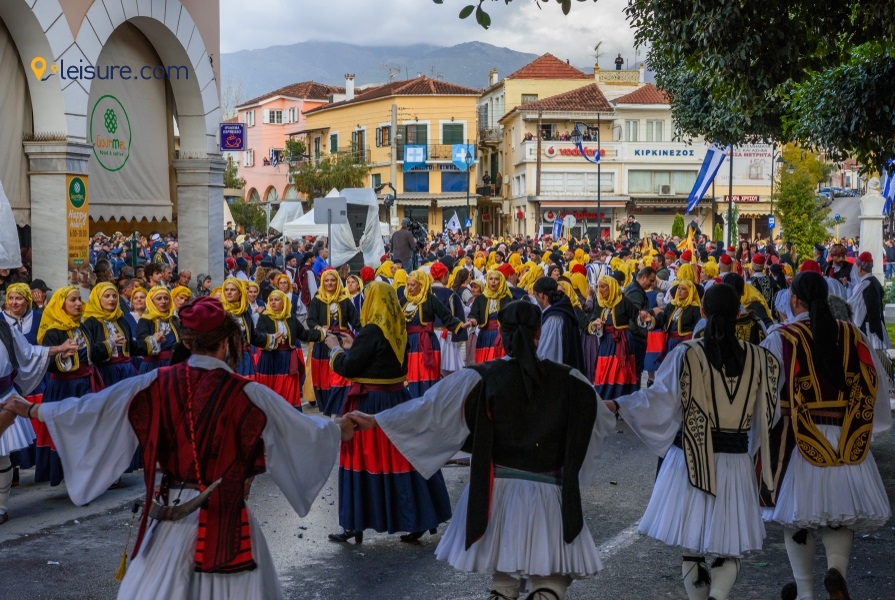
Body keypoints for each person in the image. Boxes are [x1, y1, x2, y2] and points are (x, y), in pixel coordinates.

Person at [0, 297, 354, 599]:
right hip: (230, 522)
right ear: (226, 342)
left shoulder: (154, 382)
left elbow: (94, 409)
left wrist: (33, 410)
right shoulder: (249, 393)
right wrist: (340, 428)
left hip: (170, 519)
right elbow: (302, 431)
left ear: (185, 340)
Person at [344, 301, 616, 600]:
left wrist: (378, 420)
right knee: (551, 576)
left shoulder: (481, 377)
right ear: (539, 332)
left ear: (501, 333)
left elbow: (431, 410)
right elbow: (599, 421)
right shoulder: (572, 381)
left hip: (496, 492)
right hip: (550, 491)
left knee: (505, 576)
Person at [608, 283, 780, 600]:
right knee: (730, 546)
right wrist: (747, 447)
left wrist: (620, 405)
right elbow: (769, 415)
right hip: (734, 459)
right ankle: (718, 596)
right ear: (739, 314)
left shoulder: (686, 354)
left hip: (689, 461)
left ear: (702, 312)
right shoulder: (762, 359)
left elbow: (659, 400)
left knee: (692, 547)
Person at [760, 271, 891, 600]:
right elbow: (874, 383)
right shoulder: (852, 334)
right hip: (847, 438)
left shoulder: (781, 337)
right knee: (839, 514)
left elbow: (766, 394)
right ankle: (836, 570)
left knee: (797, 519)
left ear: (794, 300)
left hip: (799, 440)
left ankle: (805, 591)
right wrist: (871, 425)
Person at [324, 281, 452, 544]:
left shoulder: (372, 330)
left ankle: (354, 523)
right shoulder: (397, 328)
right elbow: (377, 359)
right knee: (405, 458)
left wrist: (335, 348)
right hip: (396, 400)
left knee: (363, 461)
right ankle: (417, 518)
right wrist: (354, 346)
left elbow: (349, 368)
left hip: (369, 404)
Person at [1, 285, 75, 524]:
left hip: (3, 395)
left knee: (1, 457)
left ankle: (1, 507)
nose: (14, 302)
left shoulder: (4, 328)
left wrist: (60, 349)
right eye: (10, 298)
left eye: (18, 298)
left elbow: (29, 352)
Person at [36, 286, 105, 486]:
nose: (78, 304)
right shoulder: (53, 331)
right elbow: (46, 363)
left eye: (79, 300)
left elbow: (89, 354)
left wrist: (108, 345)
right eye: (72, 300)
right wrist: (63, 357)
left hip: (86, 384)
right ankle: (69, 474)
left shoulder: (81, 327)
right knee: (67, 432)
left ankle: (86, 474)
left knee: (87, 430)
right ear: (61, 304)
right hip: (65, 388)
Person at [399, 270, 466, 397]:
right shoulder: (404, 301)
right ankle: (413, 402)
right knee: (412, 376)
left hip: (426, 343)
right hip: (410, 345)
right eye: (408, 284)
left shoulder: (429, 299)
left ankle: (429, 402)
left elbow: (445, 315)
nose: (409, 288)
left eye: (413, 285)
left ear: (421, 285)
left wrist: (459, 325)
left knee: (426, 376)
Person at [255, 290, 321, 408]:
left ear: (284, 302)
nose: (273, 302)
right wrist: (272, 337)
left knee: (289, 389)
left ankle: (290, 414)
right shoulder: (264, 318)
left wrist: (322, 333)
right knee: (271, 389)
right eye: (271, 300)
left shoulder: (291, 318)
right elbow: (260, 335)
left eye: (276, 300)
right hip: (270, 359)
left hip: (288, 359)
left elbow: (304, 334)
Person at [307, 269, 360, 415]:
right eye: (327, 280)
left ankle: (341, 408)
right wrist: (320, 329)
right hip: (323, 343)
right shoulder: (317, 301)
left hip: (343, 341)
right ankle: (328, 408)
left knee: (341, 376)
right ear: (322, 282)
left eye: (333, 280)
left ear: (338, 282)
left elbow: (356, 322)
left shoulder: (345, 300)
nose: (330, 283)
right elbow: (311, 321)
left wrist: (366, 335)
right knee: (324, 376)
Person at [589, 275, 640, 400]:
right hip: (606, 342)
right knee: (604, 370)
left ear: (611, 287)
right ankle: (604, 399)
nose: (600, 290)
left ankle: (621, 399)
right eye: (599, 287)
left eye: (603, 287)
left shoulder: (624, 301)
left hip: (622, 341)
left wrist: (645, 317)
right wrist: (595, 323)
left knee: (620, 372)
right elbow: (593, 319)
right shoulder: (600, 303)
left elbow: (636, 317)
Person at [81, 282, 137, 387]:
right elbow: (90, 352)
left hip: (126, 371)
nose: (112, 299)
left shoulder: (121, 320)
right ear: (98, 299)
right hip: (105, 373)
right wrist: (110, 343)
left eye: (114, 296)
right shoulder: (91, 323)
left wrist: (151, 342)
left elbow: (132, 346)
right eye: (107, 296)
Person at [533, 276, 586, 373]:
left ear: (541, 295)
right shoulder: (563, 310)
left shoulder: (553, 318)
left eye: (535, 296)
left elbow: (547, 355)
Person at [468, 270, 514, 363]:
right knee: (484, 363)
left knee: (498, 363)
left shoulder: (507, 299)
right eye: (491, 279)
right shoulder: (480, 298)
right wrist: (473, 319)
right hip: (484, 336)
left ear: (501, 282)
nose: (493, 281)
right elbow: (474, 313)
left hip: (501, 336)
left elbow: (512, 316)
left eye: (496, 279)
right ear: (487, 281)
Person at [847, 251, 889, 350]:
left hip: (869, 330)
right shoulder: (875, 281)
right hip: (878, 325)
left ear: (860, 268)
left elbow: (854, 306)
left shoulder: (864, 285)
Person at [135, 287, 181, 373]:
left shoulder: (174, 320)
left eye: (166, 298)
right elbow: (140, 341)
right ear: (152, 302)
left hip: (172, 365)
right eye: (159, 299)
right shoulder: (145, 320)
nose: (163, 301)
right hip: (152, 365)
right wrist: (153, 339)